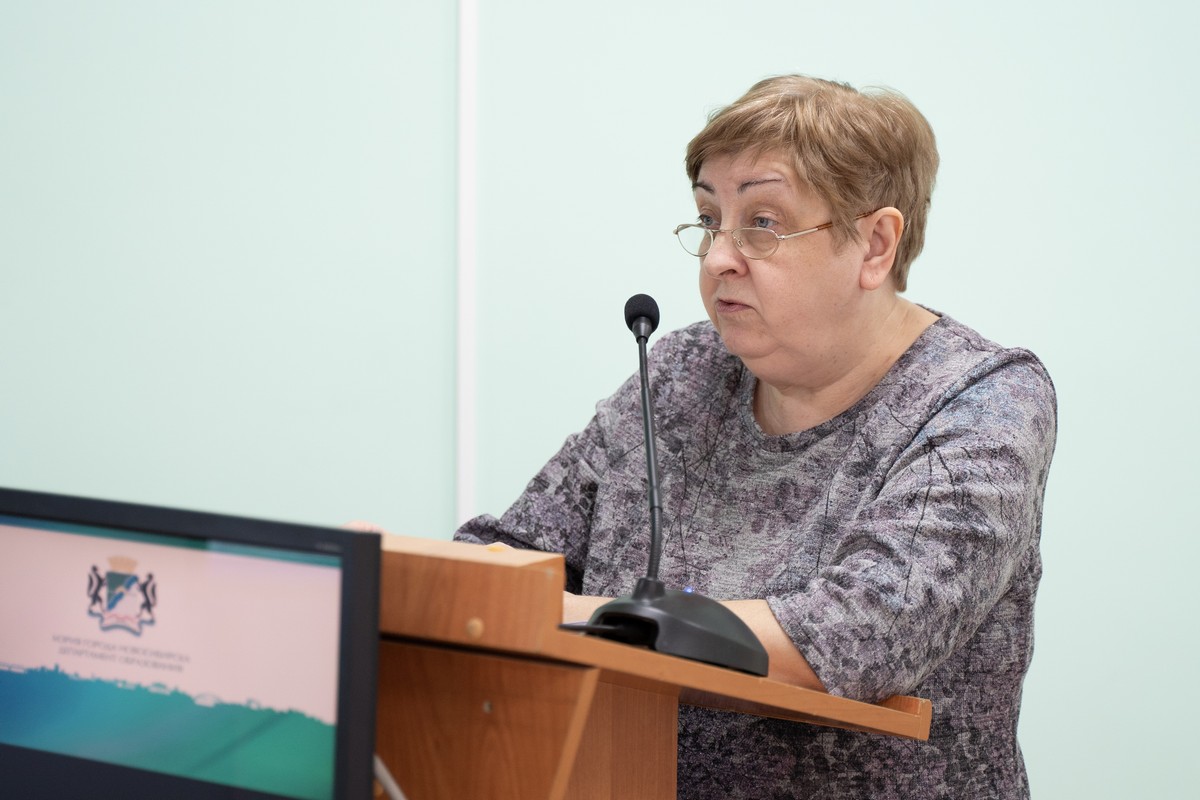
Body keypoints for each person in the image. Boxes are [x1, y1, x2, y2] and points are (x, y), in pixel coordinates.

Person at [455, 75, 1057, 799]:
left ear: (875, 244)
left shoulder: (979, 397)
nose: (718, 258)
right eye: (710, 219)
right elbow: (512, 552)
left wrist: (588, 617)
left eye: (763, 223)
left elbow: (859, 634)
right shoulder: (682, 371)